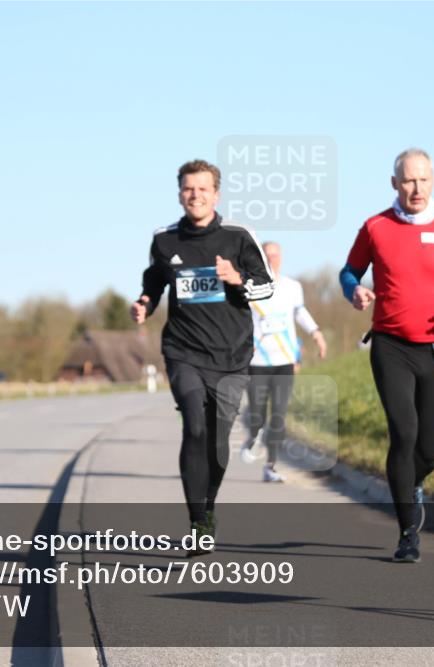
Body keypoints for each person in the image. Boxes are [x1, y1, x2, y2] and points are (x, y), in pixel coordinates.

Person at [339, 148, 434, 563]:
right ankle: (408, 532)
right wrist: (355, 289)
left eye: (423, 179)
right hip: (391, 345)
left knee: (429, 450)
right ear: (394, 183)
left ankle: (412, 483)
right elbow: (349, 271)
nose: (416, 188)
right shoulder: (375, 227)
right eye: (408, 180)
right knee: (403, 435)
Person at [131, 159, 274, 554]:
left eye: (203, 189)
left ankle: (208, 506)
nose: (195, 195)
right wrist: (145, 302)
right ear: (180, 193)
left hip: (231, 354)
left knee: (217, 440)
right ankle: (197, 521)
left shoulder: (238, 237)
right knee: (194, 425)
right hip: (183, 350)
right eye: (188, 189)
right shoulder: (165, 240)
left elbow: (267, 289)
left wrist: (237, 279)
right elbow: (154, 280)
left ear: (216, 194)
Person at [240, 242, 328, 483]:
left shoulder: (292, 287)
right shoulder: (249, 287)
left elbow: (300, 313)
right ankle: (253, 435)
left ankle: (271, 465)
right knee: (257, 413)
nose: (272, 259)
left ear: (281, 258)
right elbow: (240, 318)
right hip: (257, 361)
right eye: (267, 255)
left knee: (278, 414)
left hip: (284, 359)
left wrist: (316, 333)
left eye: (276, 255)